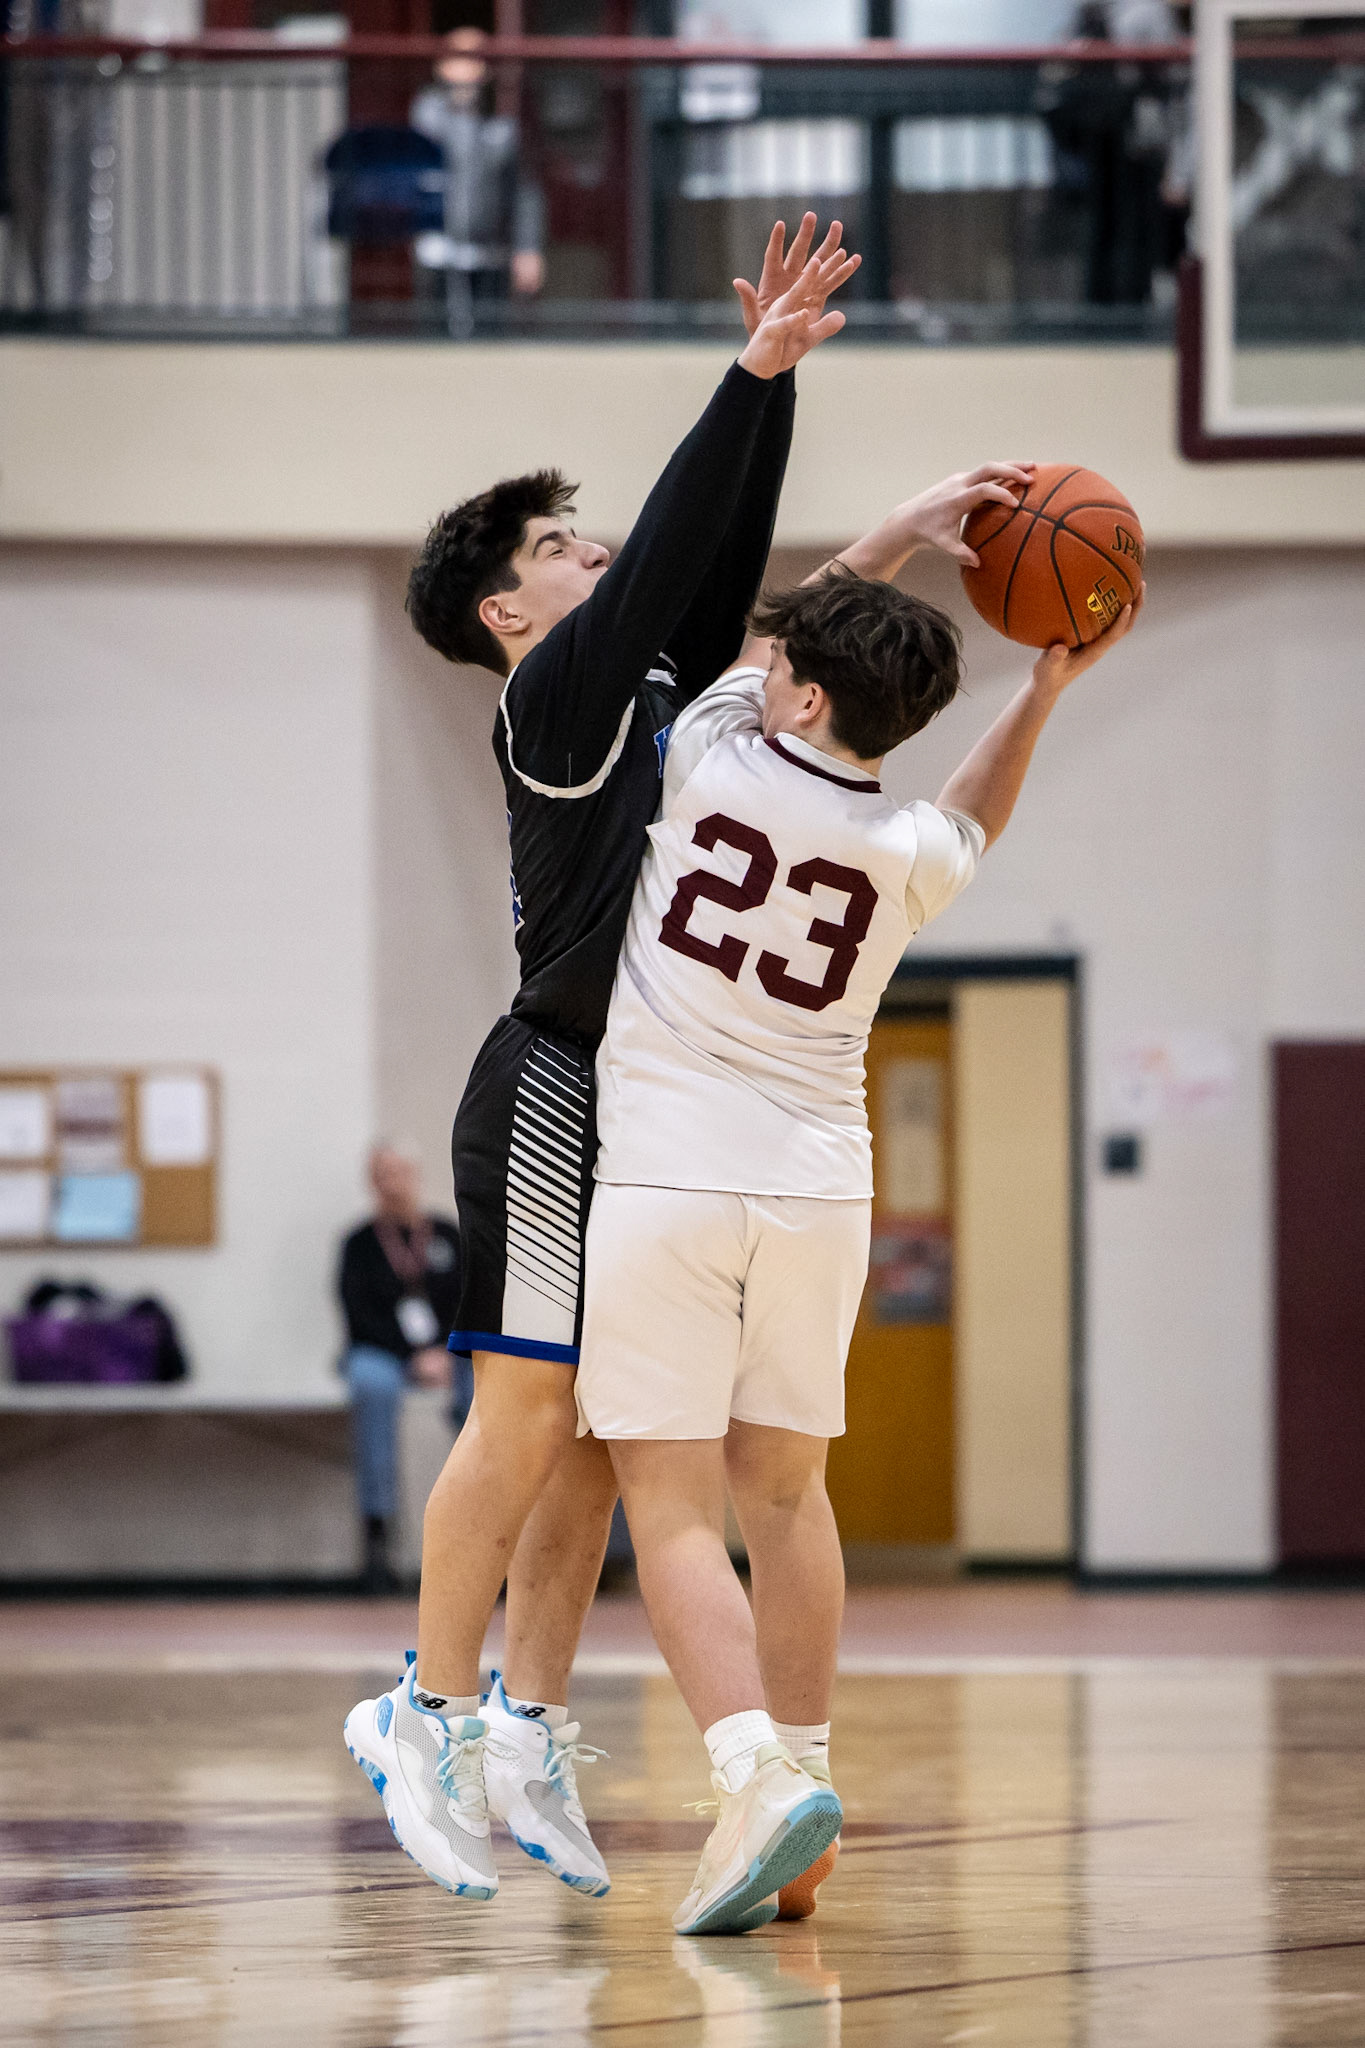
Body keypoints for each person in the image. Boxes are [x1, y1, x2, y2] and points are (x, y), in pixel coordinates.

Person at [342, 219, 861, 1905]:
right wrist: (748, 373)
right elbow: (668, 570)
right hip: (553, 1082)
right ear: (508, 607)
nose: (598, 551)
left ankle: (528, 1720)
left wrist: (779, 398)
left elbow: (711, 573)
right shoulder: (554, 699)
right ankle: (420, 1708)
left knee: (590, 1436)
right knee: (522, 1416)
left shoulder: (639, 688)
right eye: (562, 545)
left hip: (646, 1097)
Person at [577, 539, 1143, 1934]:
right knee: (787, 1496)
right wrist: (1044, 686)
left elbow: (786, 618)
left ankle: (754, 1780)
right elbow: (974, 817)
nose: (766, 666)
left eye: (789, 662)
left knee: (669, 1502)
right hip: (822, 1187)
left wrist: (908, 525)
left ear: (809, 695)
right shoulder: (905, 853)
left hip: (670, 1173)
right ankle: (807, 1785)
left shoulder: (710, 753)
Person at [338, 1143, 462, 1592]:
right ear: (372, 1183)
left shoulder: (447, 1235)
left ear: (415, 1176)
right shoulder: (358, 1244)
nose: (393, 1183)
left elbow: (471, 1300)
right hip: (382, 1353)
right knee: (372, 1386)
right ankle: (378, 1538)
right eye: (383, 1174)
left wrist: (444, 1350)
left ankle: (486, 1527)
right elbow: (357, 1314)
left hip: (447, 1351)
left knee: (485, 1391)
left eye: (400, 1172)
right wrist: (412, 1357)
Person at [409, 27, 546, 338]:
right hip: (439, 248)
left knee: (489, 339)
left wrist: (528, 248)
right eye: (460, 58)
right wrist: (459, 104)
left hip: (490, 250)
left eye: (478, 59)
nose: (469, 68)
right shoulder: (427, 112)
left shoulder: (504, 121)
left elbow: (524, 191)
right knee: (437, 340)